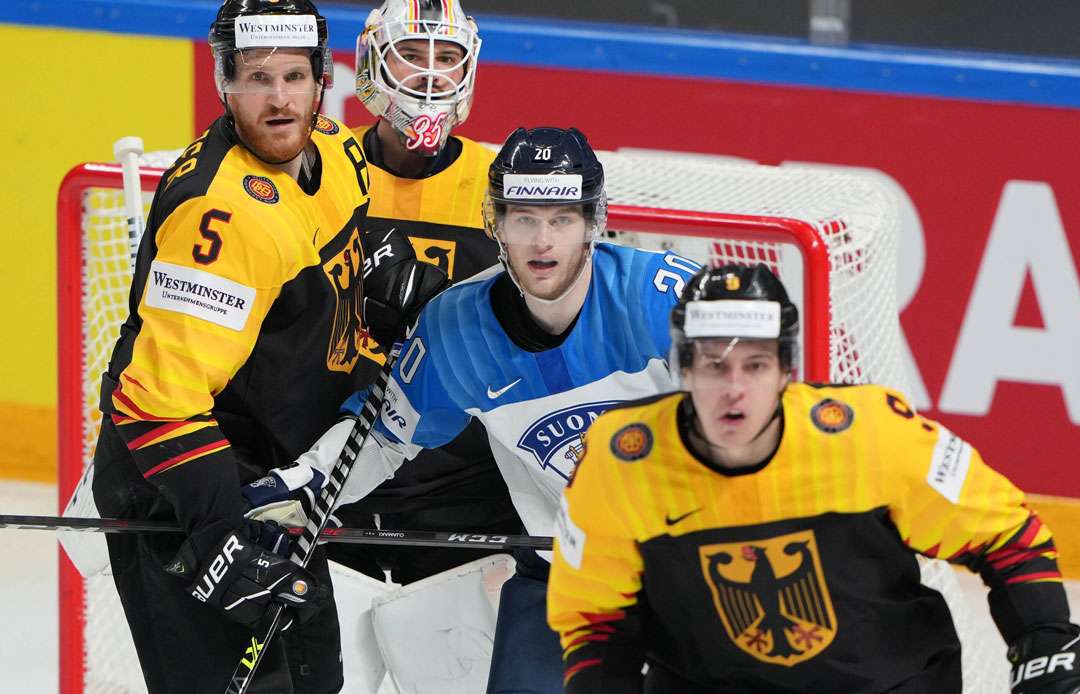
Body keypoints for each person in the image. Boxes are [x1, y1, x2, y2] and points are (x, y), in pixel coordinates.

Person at [546, 264, 1080, 694]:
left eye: (756, 365)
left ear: (788, 370)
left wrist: (1043, 643)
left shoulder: (871, 435)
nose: (734, 388)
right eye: (714, 364)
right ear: (683, 367)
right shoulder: (621, 463)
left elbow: (1005, 534)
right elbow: (595, 619)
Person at [283, 125, 703, 693]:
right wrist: (297, 489)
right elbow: (380, 437)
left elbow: (756, 423)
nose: (542, 242)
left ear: (593, 225)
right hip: (564, 577)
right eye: (523, 218)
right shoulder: (457, 330)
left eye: (561, 219)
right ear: (496, 224)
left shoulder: (662, 301)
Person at [87, 1, 432, 691]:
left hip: (273, 481)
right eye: (257, 78)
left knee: (313, 679)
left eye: (296, 77)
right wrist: (219, 535)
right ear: (224, 84)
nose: (279, 100)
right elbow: (156, 403)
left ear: (321, 80)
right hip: (186, 493)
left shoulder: (337, 154)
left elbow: (324, 281)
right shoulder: (222, 219)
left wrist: (373, 295)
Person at [323, 0, 524, 588]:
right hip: (336, 479)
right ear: (370, 63)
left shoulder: (502, 187)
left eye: (448, 57)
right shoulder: (324, 172)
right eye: (411, 55)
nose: (431, 74)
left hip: (465, 498)